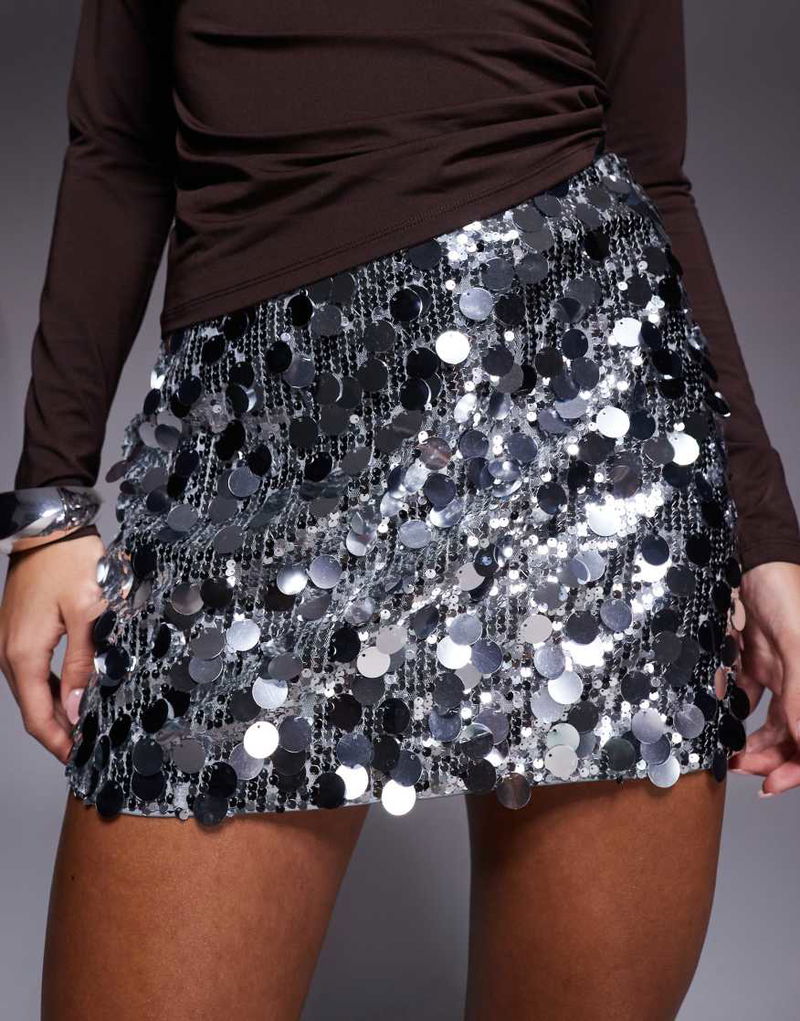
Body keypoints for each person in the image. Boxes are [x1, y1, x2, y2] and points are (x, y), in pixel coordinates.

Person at [1, 1, 799, 1018]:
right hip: (257, 443)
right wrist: (48, 507)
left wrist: (765, 539)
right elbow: (119, 143)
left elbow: (650, 168)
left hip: (587, 432)